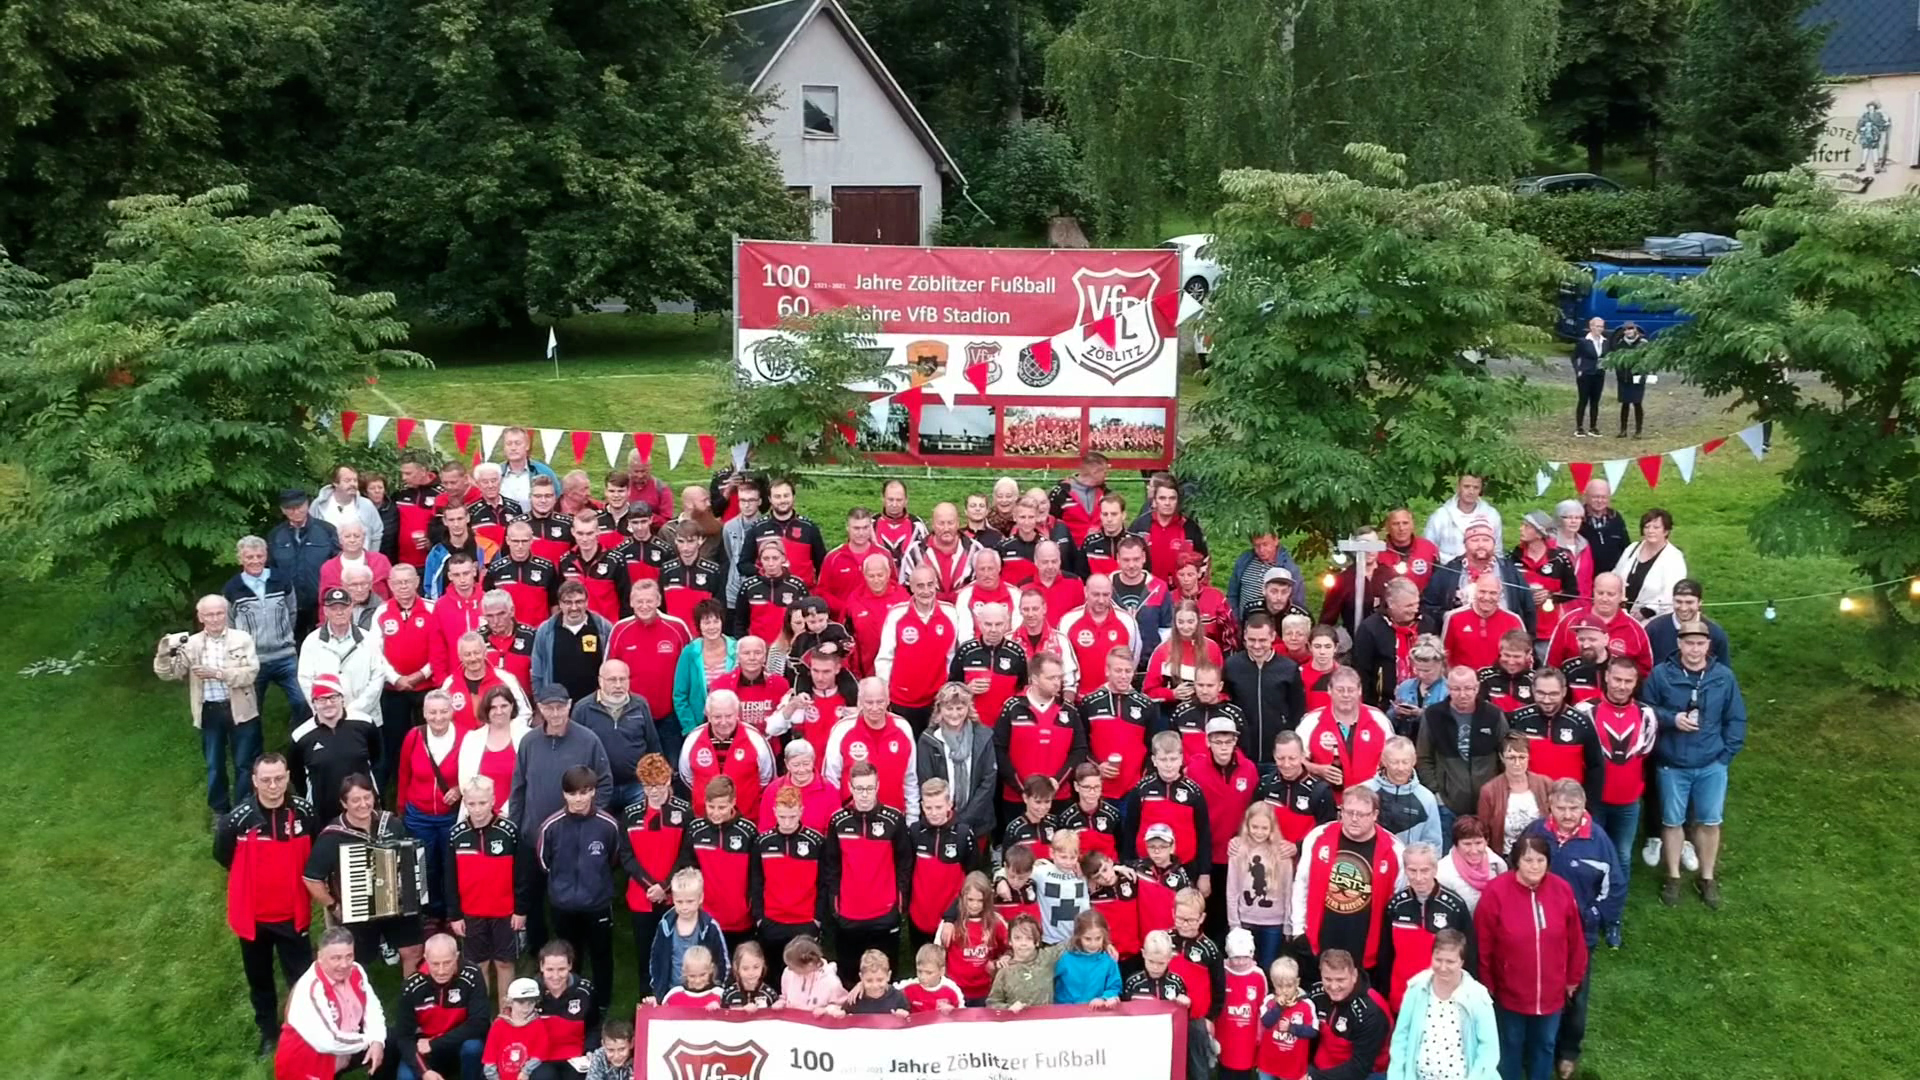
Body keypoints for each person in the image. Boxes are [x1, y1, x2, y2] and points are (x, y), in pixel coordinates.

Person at [215, 753, 315, 1058]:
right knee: (260, 980)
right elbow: (223, 854)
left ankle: (304, 1032)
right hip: (254, 918)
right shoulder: (238, 819)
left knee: (300, 978)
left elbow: (317, 853)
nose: (274, 786)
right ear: (255, 781)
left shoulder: (304, 813)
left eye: (279, 778)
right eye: (267, 780)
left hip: (292, 915)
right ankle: (269, 1033)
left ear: (288, 777)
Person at [1642, 619, 1745, 909]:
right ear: (1679, 644)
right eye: (1689, 643)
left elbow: (1736, 717)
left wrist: (1726, 755)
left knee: (1711, 821)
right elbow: (1646, 710)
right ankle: (1673, 876)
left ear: (1708, 646)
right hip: (1673, 763)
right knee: (1672, 821)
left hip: (1712, 762)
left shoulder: (1723, 677)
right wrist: (1672, 719)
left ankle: (1707, 877)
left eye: (1700, 643)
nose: (1694, 649)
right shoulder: (1661, 675)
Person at [1522, 782, 1620, 1076]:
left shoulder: (1599, 840)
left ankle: (1568, 1051)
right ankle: (1534, 1046)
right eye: (1561, 808)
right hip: (1535, 932)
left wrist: (1591, 916)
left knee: (1575, 995)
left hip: (1579, 936)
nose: (1567, 815)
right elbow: (1519, 870)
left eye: (1573, 808)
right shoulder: (1535, 833)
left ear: (1584, 806)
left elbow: (1614, 887)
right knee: (1534, 988)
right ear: (1549, 805)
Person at [522, 765, 635, 1013]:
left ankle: (603, 1003)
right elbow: (543, 861)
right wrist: (562, 886)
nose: (579, 799)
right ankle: (569, 1002)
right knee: (569, 956)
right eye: (573, 793)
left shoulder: (608, 825)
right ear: (564, 794)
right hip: (563, 905)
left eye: (585, 792)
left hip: (598, 904)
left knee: (601, 955)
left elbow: (614, 858)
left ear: (594, 792)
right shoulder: (551, 826)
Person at [1474, 835, 1587, 1080]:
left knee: (1545, 1044)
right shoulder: (1496, 893)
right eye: (1528, 860)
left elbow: (1576, 940)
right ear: (1516, 861)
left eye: (1540, 859)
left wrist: (1572, 980)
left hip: (1552, 993)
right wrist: (1487, 985)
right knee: (1511, 1045)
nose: (1534, 866)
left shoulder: (1562, 890)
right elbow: (1483, 944)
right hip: (1510, 993)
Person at [303, 774, 425, 972]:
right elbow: (311, 879)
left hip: (397, 904)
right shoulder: (332, 836)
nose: (363, 804)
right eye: (355, 800)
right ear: (344, 803)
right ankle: (359, 998)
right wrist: (335, 906)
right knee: (357, 962)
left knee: (413, 951)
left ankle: (411, 997)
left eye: (367, 797)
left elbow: (409, 858)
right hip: (358, 911)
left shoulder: (392, 824)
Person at [158, 593, 263, 821]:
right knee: (214, 765)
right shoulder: (193, 643)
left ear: (226, 614)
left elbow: (251, 673)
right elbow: (170, 674)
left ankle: (244, 809)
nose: (215, 619)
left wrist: (218, 674)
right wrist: (164, 652)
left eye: (219, 613)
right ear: (200, 617)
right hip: (210, 711)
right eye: (209, 615)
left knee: (245, 763)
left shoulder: (242, 638)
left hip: (241, 709)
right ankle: (220, 811)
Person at [1579, 655, 1656, 942]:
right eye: (1618, 679)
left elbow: (1644, 753)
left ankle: (1613, 917)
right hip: (1595, 800)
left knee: (1622, 857)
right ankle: (1588, 912)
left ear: (1636, 683)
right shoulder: (1586, 711)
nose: (1622, 686)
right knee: (1592, 857)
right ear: (1607, 678)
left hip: (1628, 801)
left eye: (1628, 681)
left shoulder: (1647, 715)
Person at [1290, 786, 1403, 976]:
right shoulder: (1318, 837)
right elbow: (1301, 885)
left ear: (1375, 814)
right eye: (1349, 812)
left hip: (1366, 950)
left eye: (1362, 814)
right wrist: (1298, 930)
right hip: (1319, 942)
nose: (1354, 819)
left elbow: (1396, 902)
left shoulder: (1394, 850)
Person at [823, 762, 913, 985]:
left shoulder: (893, 819)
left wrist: (899, 900)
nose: (864, 794)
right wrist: (835, 903)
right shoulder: (838, 821)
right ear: (850, 787)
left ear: (878, 786)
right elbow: (831, 866)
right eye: (859, 788)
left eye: (869, 788)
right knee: (849, 978)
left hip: (884, 914)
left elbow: (905, 862)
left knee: (884, 978)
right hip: (848, 914)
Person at [448, 776, 523, 1008]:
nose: (477, 809)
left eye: (482, 803)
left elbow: (521, 875)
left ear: (493, 800)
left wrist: (521, 910)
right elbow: (449, 878)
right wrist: (455, 914)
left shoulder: (509, 831)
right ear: (465, 804)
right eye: (471, 804)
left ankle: (505, 1013)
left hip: (505, 912)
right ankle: (480, 1015)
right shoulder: (456, 834)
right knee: (477, 964)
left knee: (504, 963)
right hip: (471, 913)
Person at [620, 754, 690, 997]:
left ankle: (677, 1003)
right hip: (642, 899)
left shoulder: (684, 812)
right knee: (646, 957)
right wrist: (651, 886)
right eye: (649, 787)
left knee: (676, 955)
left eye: (660, 785)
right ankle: (646, 1005)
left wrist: (665, 887)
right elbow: (626, 856)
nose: (655, 792)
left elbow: (686, 856)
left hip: (676, 899)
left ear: (669, 782)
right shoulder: (630, 814)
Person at [1387, 929, 1500, 1080]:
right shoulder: (1416, 989)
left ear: (1462, 962)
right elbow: (1401, 1037)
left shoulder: (1478, 996)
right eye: (1438, 959)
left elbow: (1489, 1050)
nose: (1443, 967)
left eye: (1450, 962)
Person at [1378, 841, 1476, 1014]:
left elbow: (1469, 955)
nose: (1418, 877)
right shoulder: (1395, 905)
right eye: (1412, 870)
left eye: (1424, 870)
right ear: (1405, 870)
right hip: (1403, 998)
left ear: (1435, 869)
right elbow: (1385, 956)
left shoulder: (1454, 906)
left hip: (1444, 999)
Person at [274, 927, 385, 1079]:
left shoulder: (356, 970)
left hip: (345, 1046)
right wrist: (370, 1040)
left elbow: (372, 1007)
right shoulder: (310, 990)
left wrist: (378, 1040)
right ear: (320, 957)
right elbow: (329, 1042)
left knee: (392, 1043)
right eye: (336, 958)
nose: (344, 964)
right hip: (309, 1062)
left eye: (349, 956)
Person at [1417, 666, 1510, 846]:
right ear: (1448, 688)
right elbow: (1423, 756)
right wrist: (1436, 793)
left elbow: (1505, 756)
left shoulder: (1493, 715)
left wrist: (1499, 792)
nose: (1463, 694)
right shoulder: (1433, 715)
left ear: (1477, 688)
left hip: (1487, 804)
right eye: (1456, 689)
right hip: (1447, 805)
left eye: (1468, 688)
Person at [992, 652, 1089, 823]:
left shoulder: (1069, 712)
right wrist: (1022, 788)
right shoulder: (1012, 708)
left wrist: (1057, 781)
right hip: (1018, 798)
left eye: (1059, 678)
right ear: (1035, 679)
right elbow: (999, 750)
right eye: (1051, 678)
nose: (1057, 683)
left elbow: (1079, 751)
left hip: (1058, 798)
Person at [226, 535, 311, 728]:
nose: (255, 561)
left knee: (302, 700)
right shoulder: (233, 588)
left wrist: (282, 634)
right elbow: (230, 622)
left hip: (285, 655)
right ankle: (253, 750)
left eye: (259, 556)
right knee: (252, 709)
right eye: (249, 557)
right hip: (252, 659)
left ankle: (297, 736)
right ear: (240, 559)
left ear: (266, 556)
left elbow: (291, 611)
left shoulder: (281, 580)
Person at [874, 562, 970, 732]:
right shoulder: (897, 614)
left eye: (930, 584)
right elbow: (885, 658)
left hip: (937, 700)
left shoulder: (950, 613)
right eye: (920, 586)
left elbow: (952, 656)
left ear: (936, 585)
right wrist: (884, 693)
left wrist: (948, 688)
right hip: (902, 699)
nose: (926, 591)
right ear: (911, 587)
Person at [395, 690, 462, 921]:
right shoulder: (413, 737)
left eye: (443, 711)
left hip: (450, 816)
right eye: (432, 712)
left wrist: (459, 789)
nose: (438, 717)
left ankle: (453, 913)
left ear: (452, 711)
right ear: (424, 713)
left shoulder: (465, 737)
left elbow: (475, 771)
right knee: (425, 866)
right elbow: (404, 774)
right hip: (419, 815)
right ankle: (432, 913)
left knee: (451, 866)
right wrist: (401, 808)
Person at [1191, 715, 1260, 936]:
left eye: (1228, 741)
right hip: (1207, 856)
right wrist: (1202, 868)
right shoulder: (1195, 770)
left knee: (1237, 915)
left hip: (1239, 854)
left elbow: (1254, 811)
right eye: (1217, 741)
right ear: (1208, 742)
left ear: (1235, 741)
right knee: (1209, 916)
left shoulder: (1249, 769)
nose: (1223, 747)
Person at [510, 683, 612, 829]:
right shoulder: (529, 742)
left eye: (560, 707)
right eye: (549, 708)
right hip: (534, 833)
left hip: (576, 833)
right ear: (540, 708)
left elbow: (605, 783)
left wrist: (588, 816)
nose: (555, 713)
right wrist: (515, 827)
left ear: (569, 705)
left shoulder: (589, 741)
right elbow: (518, 789)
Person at [753, 784, 828, 981]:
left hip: (805, 922)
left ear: (801, 811)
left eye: (792, 817)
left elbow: (823, 884)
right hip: (772, 922)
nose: (787, 822)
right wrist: (760, 918)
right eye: (782, 816)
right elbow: (756, 882)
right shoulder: (762, 842)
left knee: (807, 978)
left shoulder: (816, 842)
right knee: (773, 980)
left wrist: (817, 919)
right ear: (774, 811)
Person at [390, 933, 490, 1080]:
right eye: (435, 964)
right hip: (425, 1048)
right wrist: (424, 1071)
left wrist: (435, 1043)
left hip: (458, 1042)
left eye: (447, 962)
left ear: (457, 956)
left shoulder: (472, 975)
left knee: (473, 1048)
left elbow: (480, 1023)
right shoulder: (412, 987)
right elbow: (404, 1037)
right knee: (405, 1077)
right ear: (425, 958)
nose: (441, 971)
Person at [675, 775, 760, 943]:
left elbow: (756, 876)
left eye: (722, 807)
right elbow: (687, 868)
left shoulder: (748, 832)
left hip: (741, 920)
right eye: (711, 806)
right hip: (705, 917)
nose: (715, 812)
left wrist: (750, 907)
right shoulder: (695, 830)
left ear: (733, 802)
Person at [1422, 518, 1536, 642]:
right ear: (1465, 544)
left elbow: (1528, 608)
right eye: (1475, 540)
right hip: (1461, 641)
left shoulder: (1510, 572)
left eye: (1486, 540)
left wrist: (1528, 642)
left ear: (1494, 544)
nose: (1481, 545)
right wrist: (1450, 616)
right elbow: (1430, 607)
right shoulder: (1448, 572)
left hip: (1504, 644)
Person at [604, 579, 690, 743]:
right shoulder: (619, 630)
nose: (644, 606)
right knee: (634, 767)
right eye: (639, 601)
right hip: (631, 714)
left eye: (649, 601)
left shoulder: (677, 628)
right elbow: (607, 671)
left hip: (671, 716)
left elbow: (691, 670)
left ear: (658, 600)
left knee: (670, 766)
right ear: (631, 602)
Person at [823, 677, 922, 818]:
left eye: (880, 701)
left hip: (894, 819)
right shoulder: (842, 729)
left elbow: (910, 779)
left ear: (888, 700)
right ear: (859, 702)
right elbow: (831, 780)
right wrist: (837, 819)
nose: (875, 708)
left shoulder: (903, 728)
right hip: (853, 818)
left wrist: (912, 819)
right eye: (869, 702)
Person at [298, 586, 390, 735]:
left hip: (366, 718)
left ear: (351, 608)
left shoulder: (368, 639)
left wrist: (352, 711)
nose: (339, 612)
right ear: (326, 611)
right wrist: (328, 710)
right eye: (334, 608)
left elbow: (377, 678)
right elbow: (305, 680)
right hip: (327, 720)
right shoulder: (312, 642)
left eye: (344, 607)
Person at [289, 675, 378, 824]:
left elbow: (378, 761)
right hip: (323, 814)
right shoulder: (301, 736)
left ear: (342, 698)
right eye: (321, 699)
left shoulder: (365, 723)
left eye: (333, 697)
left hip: (364, 808)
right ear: (314, 703)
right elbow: (297, 776)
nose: (328, 704)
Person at [1225, 613, 1307, 774]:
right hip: (1242, 755)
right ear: (1245, 638)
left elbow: (1297, 709)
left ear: (1273, 637)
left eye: (1262, 640)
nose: (1256, 646)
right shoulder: (1232, 666)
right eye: (1251, 640)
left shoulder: (1288, 669)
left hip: (1277, 757)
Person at [916, 681, 998, 841]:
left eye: (959, 708)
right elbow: (927, 782)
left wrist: (965, 818)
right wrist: (948, 816)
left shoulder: (984, 736)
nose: (955, 714)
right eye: (949, 708)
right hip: (941, 821)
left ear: (968, 708)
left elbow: (988, 781)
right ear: (940, 709)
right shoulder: (928, 740)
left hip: (978, 822)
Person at [678, 688, 777, 820]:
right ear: (708, 715)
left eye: (728, 716)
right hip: (705, 820)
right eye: (717, 717)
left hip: (746, 819)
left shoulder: (755, 739)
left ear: (737, 713)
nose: (723, 722)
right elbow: (686, 776)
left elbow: (767, 778)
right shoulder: (693, 739)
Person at [1295, 667, 1393, 794]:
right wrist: (1315, 769)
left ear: (1359, 691)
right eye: (1340, 690)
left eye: (1351, 690)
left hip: (1370, 801)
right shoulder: (1311, 721)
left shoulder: (1378, 719)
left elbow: (1394, 758)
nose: (1346, 695)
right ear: (1329, 690)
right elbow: (1293, 759)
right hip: (1326, 802)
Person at [907, 778, 978, 952]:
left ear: (949, 805)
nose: (934, 813)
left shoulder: (963, 834)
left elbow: (973, 877)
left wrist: (952, 916)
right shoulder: (915, 831)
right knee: (923, 968)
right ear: (922, 806)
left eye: (939, 807)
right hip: (919, 917)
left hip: (951, 918)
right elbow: (907, 871)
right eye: (929, 807)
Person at [1304, 946, 1392, 1080]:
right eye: (1328, 979)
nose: (1333, 987)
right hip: (1321, 1065)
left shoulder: (1371, 1012)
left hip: (1366, 1073)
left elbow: (1360, 1067)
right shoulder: (1318, 994)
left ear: (1354, 975)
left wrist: (1313, 1077)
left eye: (1340, 980)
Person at [1226, 801, 1292, 975]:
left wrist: (1287, 924)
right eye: (1254, 827)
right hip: (1245, 921)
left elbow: (1288, 891)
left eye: (1264, 828)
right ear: (1247, 825)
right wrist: (1234, 924)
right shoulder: (1238, 850)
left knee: (1268, 968)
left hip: (1273, 923)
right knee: (1243, 968)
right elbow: (1232, 890)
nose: (1259, 832)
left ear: (1272, 828)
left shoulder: (1282, 852)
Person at [647, 868, 731, 1003]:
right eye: (679, 902)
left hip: (705, 995)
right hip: (671, 994)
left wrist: (717, 991)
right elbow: (655, 961)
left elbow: (723, 963)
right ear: (673, 899)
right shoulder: (665, 926)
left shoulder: (710, 927)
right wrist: (658, 992)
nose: (684, 907)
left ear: (700, 898)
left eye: (690, 901)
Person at [1542, 573, 1651, 676]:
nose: (1604, 599)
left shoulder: (1635, 629)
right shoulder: (1570, 621)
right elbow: (1552, 665)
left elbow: (1645, 673)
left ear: (1621, 596)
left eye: (1611, 594)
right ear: (1593, 592)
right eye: (1600, 593)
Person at [270, 488, 343, 642]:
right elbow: (271, 570)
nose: (296, 511)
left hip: (321, 601)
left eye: (299, 506)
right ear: (283, 510)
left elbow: (338, 565)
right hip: (289, 603)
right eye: (290, 508)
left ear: (307, 505)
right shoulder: (276, 535)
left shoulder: (326, 530)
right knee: (294, 646)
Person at [1057, 574, 1141, 697]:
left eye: (1106, 595)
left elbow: (1133, 658)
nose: (1101, 600)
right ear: (1086, 592)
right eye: (1096, 594)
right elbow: (1062, 662)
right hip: (1081, 699)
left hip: (1117, 697)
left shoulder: (1127, 621)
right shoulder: (1068, 621)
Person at [528, 582, 611, 704]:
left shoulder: (603, 628)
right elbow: (537, 674)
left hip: (595, 705)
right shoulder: (546, 631)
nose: (574, 608)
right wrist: (541, 703)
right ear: (560, 604)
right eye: (568, 602)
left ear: (587, 602)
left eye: (579, 602)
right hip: (559, 706)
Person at [459, 687, 531, 825]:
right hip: (478, 817)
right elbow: (465, 782)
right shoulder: (472, 738)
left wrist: (505, 812)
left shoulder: (527, 737)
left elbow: (529, 781)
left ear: (512, 707)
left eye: (504, 706)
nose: (499, 711)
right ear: (486, 710)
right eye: (493, 707)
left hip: (518, 816)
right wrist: (485, 813)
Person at [738, 478, 827, 586]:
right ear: (770, 499)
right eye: (777, 496)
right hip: (768, 593)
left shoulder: (809, 528)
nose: (782, 500)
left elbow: (823, 565)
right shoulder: (757, 528)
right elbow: (743, 564)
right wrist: (763, 572)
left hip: (803, 595)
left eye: (786, 495)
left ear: (793, 497)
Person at [671, 598, 736, 744]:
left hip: (732, 725)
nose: (712, 627)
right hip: (699, 727)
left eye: (715, 621)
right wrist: (691, 728)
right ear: (699, 625)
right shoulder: (689, 653)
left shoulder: (737, 649)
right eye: (706, 622)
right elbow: (680, 695)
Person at [1364, 736, 1444, 851]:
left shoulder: (1426, 798)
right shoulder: (1365, 791)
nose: (1400, 768)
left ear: (1414, 761)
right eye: (1394, 762)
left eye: (1405, 762)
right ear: (1384, 761)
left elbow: (1433, 843)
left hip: (1410, 866)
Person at [1352, 577, 1421, 710]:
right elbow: (1361, 672)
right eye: (1409, 606)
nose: (1415, 610)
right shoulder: (1370, 628)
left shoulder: (1426, 624)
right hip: (1383, 705)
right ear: (1391, 604)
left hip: (1421, 704)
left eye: (1416, 604)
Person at [1477, 733, 1549, 858]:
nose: (1517, 763)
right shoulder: (1489, 791)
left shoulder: (1545, 784)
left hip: (1541, 856)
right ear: (1502, 758)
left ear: (1529, 757)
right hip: (1506, 856)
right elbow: (1484, 832)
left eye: (1522, 757)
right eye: (1511, 758)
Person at [1613, 508, 1689, 620]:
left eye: (1656, 527)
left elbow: (1671, 592)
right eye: (1647, 527)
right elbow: (1616, 574)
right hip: (1621, 613)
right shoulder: (1632, 548)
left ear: (1666, 531)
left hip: (1653, 619)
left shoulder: (1674, 557)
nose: (1650, 531)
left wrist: (1645, 612)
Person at [731, 538, 810, 643]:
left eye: (775, 558)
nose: (771, 563)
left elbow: (807, 619)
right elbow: (740, 622)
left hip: (788, 645)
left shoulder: (797, 586)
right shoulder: (749, 586)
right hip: (758, 647)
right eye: (766, 558)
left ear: (783, 558)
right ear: (760, 560)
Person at [899, 502, 982, 601]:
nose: (946, 528)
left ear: (958, 523)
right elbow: (905, 589)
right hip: (927, 614)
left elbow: (983, 587)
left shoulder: (975, 551)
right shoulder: (915, 553)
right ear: (933, 524)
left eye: (950, 523)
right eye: (941, 523)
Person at [1146, 599, 1224, 703]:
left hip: (1204, 709)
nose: (1186, 627)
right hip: (1170, 710)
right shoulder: (1161, 651)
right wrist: (1172, 694)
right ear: (1175, 623)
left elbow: (1222, 689)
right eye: (1181, 622)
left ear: (1198, 621)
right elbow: (1148, 692)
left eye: (1190, 622)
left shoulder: (1212, 648)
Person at [761, 734, 842, 833]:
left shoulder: (829, 790)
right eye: (796, 765)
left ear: (813, 761)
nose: (802, 769)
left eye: (806, 764)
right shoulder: (773, 790)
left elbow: (834, 830)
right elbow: (766, 829)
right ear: (787, 764)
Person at [533, 940, 599, 1060]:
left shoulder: (584, 991)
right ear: (541, 967)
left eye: (561, 969)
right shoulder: (530, 992)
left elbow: (593, 1027)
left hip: (575, 1055)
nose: (556, 976)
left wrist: (590, 1050)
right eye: (550, 969)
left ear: (570, 966)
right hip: (539, 1057)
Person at [1643, 579, 1729, 665]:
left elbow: (1724, 671)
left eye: (1689, 602)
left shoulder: (1715, 633)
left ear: (1699, 603)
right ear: (1672, 601)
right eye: (1678, 602)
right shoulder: (1654, 629)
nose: (1683, 608)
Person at [481, 977, 552, 1080]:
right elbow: (489, 1057)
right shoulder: (499, 1024)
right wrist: (493, 1077)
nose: (526, 1008)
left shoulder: (537, 1024)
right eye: (521, 1002)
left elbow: (540, 1052)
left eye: (531, 1002)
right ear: (510, 1002)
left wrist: (526, 1071)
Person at [988, 914, 1063, 1010]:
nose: (1023, 943)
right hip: (1017, 1022)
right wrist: (1008, 1008)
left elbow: (1070, 943)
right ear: (1010, 941)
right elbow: (992, 1002)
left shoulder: (1047, 957)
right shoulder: (1004, 970)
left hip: (1045, 1021)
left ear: (1037, 941)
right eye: (1017, 938)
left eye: (1029, 938)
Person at [1426, 473, 1504, 563]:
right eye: (1467, 486)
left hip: (1482, 570)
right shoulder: (1440, 515)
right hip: (1447, 569)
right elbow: (1428, 548)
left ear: (1481, 490)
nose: (1471, 492)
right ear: (1458, 487)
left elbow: (1497, 551)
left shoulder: (1492, 515)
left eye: (1476, 487)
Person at [1436, 816, 1507, 914]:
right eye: (1467, 844)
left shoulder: (1498, 864)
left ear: (1487, 841)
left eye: (1478, 843)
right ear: (1456, 844)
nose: (1474, 851)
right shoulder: (1442, 872)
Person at [1230, 531, 1307, 621]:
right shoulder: (1245, 559)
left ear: (1276, 541)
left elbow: (1297, 603)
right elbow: (1233, 594)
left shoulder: (1289, 568)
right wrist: (1235, 621)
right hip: (1244, 624)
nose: (1261, 550)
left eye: (1265, 544)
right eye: (1257, 546)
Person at [319, 519, 393, 603]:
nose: (352, 540)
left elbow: (392, 591)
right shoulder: (328, 568)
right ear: (340, 540)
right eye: (347, 536)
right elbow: (324, 602)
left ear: (364, 538)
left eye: (357, 536)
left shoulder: (380, 561)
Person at [1575, 481, 1628, 583]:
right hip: (1584, 579)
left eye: (1604, 497)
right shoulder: (1577, 517)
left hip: (1612, 578)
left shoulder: (1616, 518)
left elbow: (1625, 548)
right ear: (1586, 497)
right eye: (1595, 497)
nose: (1600, 501)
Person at [1571, 316, 1610, 437]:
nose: (1600, 329)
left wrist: (1606, 365)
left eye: (1602, 326)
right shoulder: (1584, 341)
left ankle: (1593, 427)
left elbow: (1607, 356)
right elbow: (1574, 357)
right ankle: (1579, 427)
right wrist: (1578, 370)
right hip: (1586, 374)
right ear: (1591, 327)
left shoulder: (1605, 341)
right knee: (1583, 400)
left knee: (1595, 401)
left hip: (1599, 374)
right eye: (1598, 326)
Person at [1610, 321, 1650, 437]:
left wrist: (1642, 374)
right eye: (1626, 329)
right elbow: (1617, 361)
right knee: (1625, 404)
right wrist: (1620, 375)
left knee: (1637, 403)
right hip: (1624, 379)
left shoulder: (1642, 343)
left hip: (1637, 379)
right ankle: (1623, 430)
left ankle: (1638, 431)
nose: (1628, 331)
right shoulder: (1620, 344)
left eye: (1630, 328)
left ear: (1635, 329)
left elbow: (1647, 361)